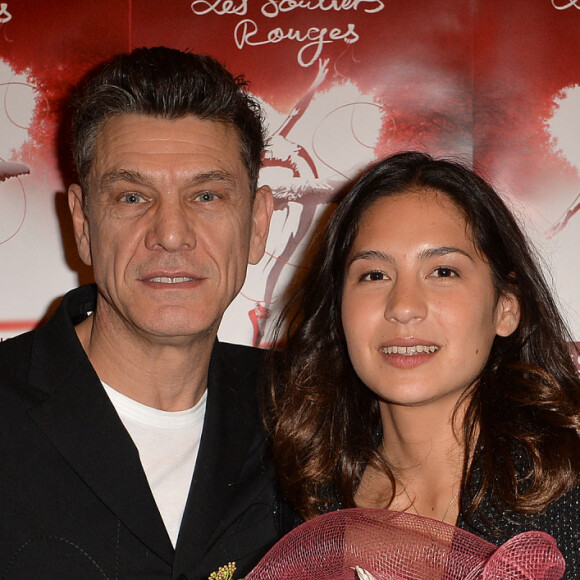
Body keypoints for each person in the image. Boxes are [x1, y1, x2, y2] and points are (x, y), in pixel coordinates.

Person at [0, 46, 281, 579]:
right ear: (83, 223)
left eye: (207, 196)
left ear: (259, 222)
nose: (170, 234)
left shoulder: (308, 414)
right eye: (132, 197)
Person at [268, 151, 580, 577]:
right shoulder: (296, 498)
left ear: (506, 307)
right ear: (338, 311)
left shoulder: (568, 494)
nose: (404, 307)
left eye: (443, 272)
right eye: (374, 275)